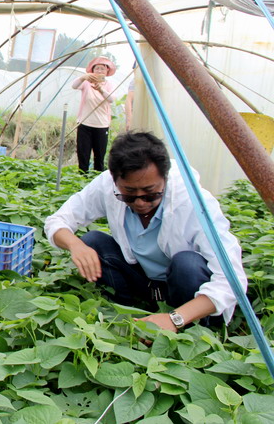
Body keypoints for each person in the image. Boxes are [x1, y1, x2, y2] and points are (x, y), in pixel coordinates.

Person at [44, 131, 247, 331]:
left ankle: (194, 325)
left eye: (151, 194)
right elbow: (57, 221)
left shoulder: (193, 202)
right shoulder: (107, 184)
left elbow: (231, 279)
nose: (140, 202)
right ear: (115, 180)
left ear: (165, 179)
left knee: (187, 264)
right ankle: (127, 309)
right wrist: (75, 245)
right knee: (92, 242)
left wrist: (175, 319)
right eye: (129, 194)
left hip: (183, 286)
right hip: (146, 282)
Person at [72, 56, 117, 172]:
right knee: (83, 155)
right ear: (92, 71)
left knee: (99, 156)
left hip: (101, 125)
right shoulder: (86, 83)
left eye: (102, 69)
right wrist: (83, 77)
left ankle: (98, 178)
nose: (99, 71)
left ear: (107, 71)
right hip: (85, 123)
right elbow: (74, 86)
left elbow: (111, 99)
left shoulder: (108, 85)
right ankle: (82, 177)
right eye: (97, 68)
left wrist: (101, 90)